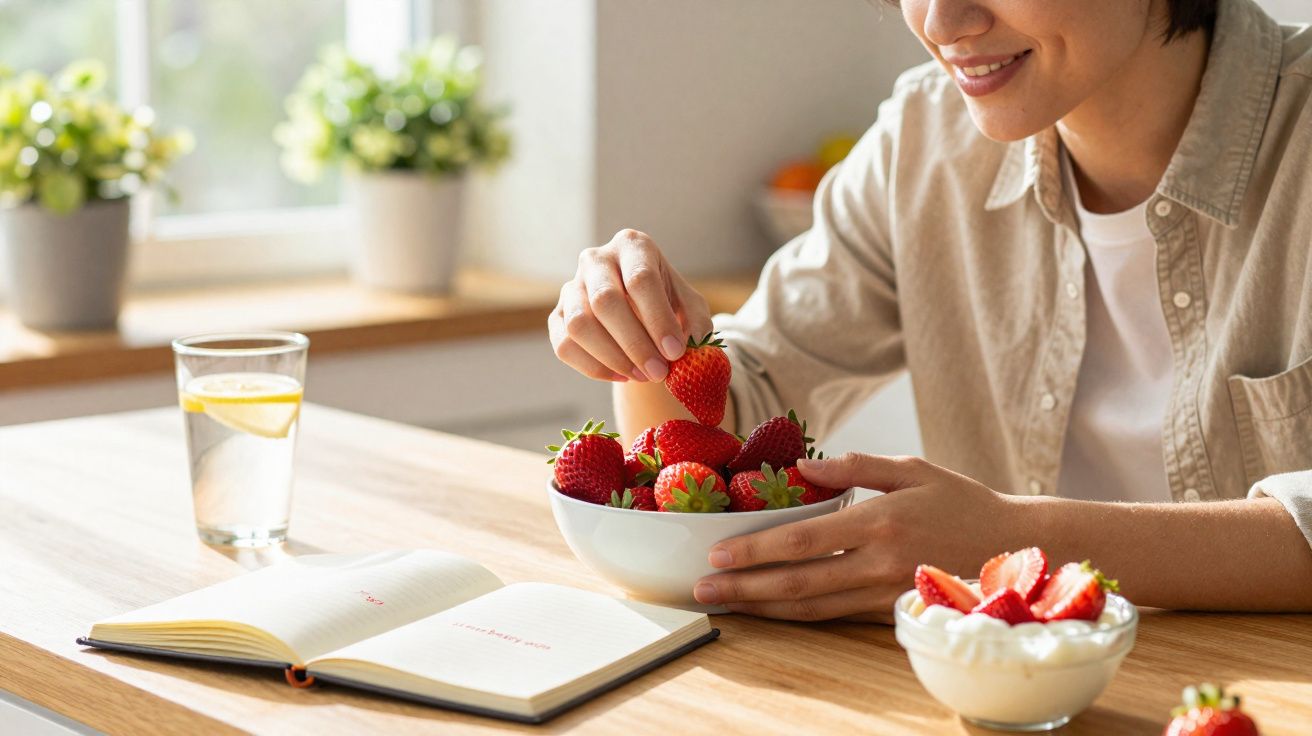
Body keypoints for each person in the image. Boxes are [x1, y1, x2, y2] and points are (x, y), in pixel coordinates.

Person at [547, 0, 1312, 621]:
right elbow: (724, 433)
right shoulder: (923, 141)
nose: (940, 24)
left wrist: (1018, 536)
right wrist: (646, 335)